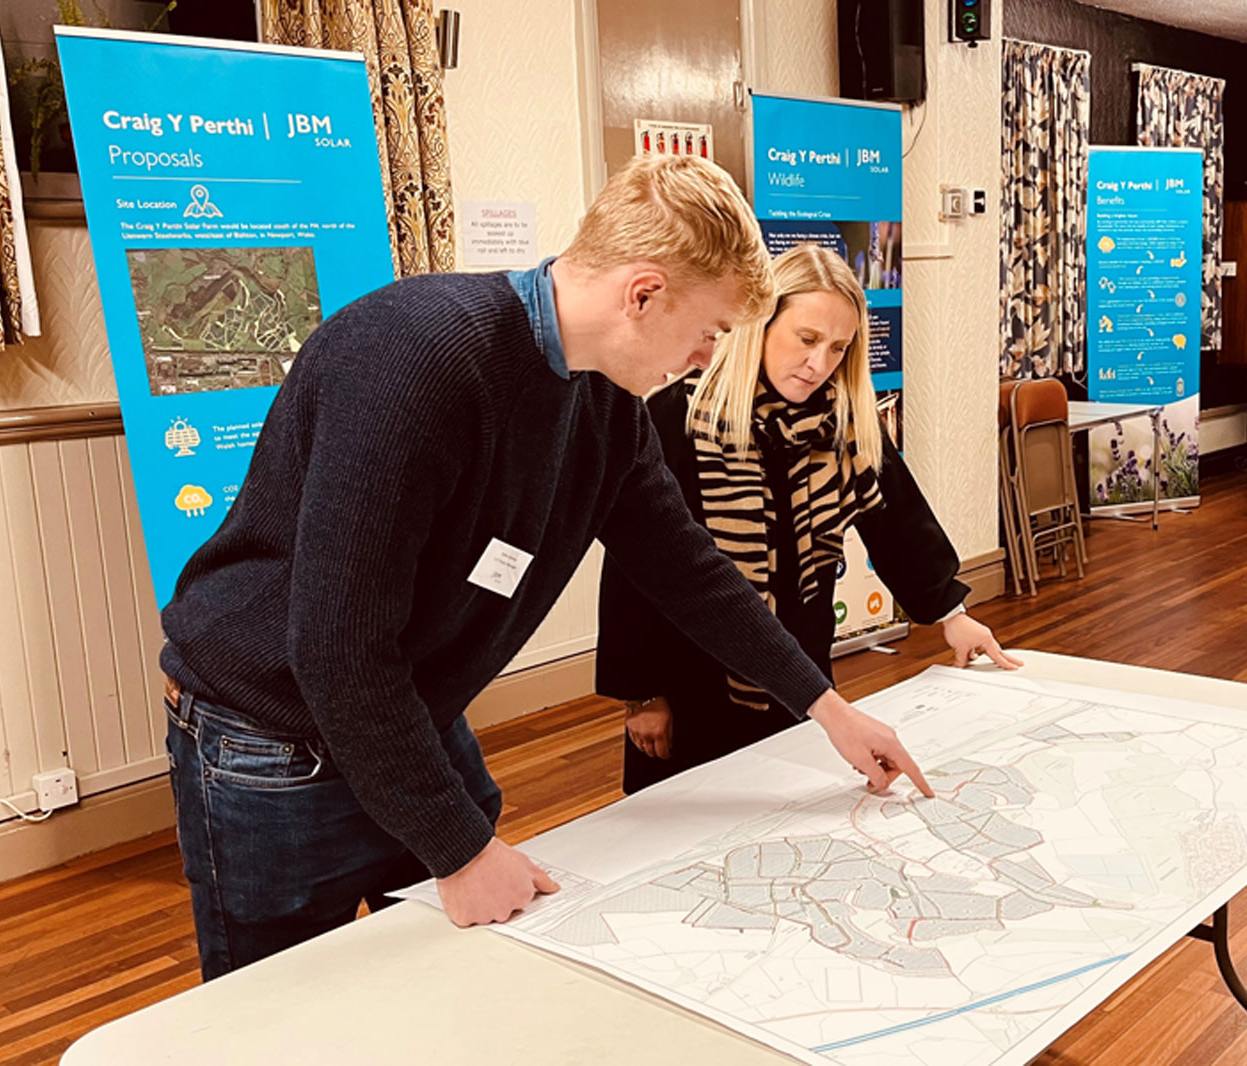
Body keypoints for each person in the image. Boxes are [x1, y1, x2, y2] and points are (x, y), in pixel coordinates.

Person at [159, 157, 933, 981]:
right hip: (274, 736)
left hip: (407, 704)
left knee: (435, 977)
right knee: (286, 1003)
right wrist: (459, 852)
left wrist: (827, 709)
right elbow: (337, 649)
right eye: (707, 330)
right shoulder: (411, 357)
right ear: (643, 294)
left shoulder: (604, 402)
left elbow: (691, 573)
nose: (706, 357)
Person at [597, 244, 1020, 794]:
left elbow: (899, 522)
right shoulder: (680, 417)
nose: (819, 363)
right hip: (692, 679)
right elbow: (635, 565)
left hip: (800, 668)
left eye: (838, 348)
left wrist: (951, 614)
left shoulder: (844, 421)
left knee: (784, 810)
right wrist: (643, 694)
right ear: (760, 324)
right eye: (807, 339)